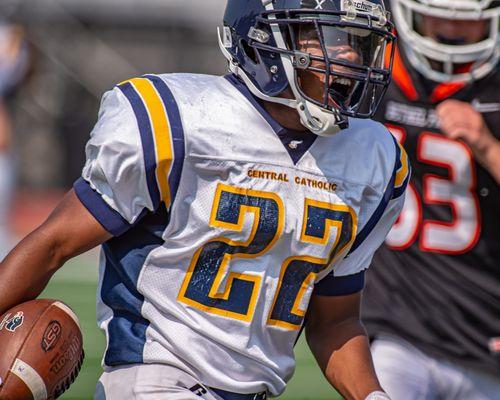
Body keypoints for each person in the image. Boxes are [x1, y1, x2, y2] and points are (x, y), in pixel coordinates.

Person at [0, 1, 408, 399]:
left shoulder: (374, 158)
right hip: (157, 380)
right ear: (265, 39)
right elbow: (52, 244)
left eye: (355, 39)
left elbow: (335, 322)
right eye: (328, 37)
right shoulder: (178, 119)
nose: (349, 54)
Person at [361, 0, 500, 398]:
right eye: (439, 11)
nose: (451, 28)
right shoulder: (374, 65)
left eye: (467, 18)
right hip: (398, 324)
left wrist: (487, 146)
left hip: (486, 327)